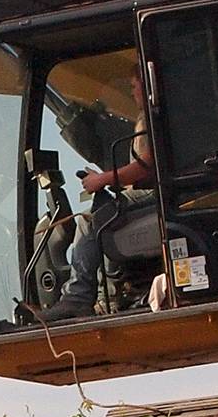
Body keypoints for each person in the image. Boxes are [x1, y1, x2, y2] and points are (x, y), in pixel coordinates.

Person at [38, 126, 155, 322]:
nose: (134, 93)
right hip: (164, 193)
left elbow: (148, 164)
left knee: (90, 221)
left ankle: (77, 297)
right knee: (108, 221)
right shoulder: (154, 113)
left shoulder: (159, 111)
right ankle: (107, 298)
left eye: (134, 91)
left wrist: (103, 179)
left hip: (163, 195)